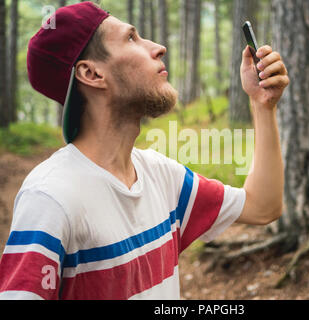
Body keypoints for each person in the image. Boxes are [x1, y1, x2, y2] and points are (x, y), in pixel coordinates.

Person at [0, 2, 289, 299]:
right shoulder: (50, 198)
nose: (159, 47)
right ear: (92, 73)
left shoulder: (162, 176)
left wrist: (262, 105)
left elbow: (262, 206)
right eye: (130, 38)